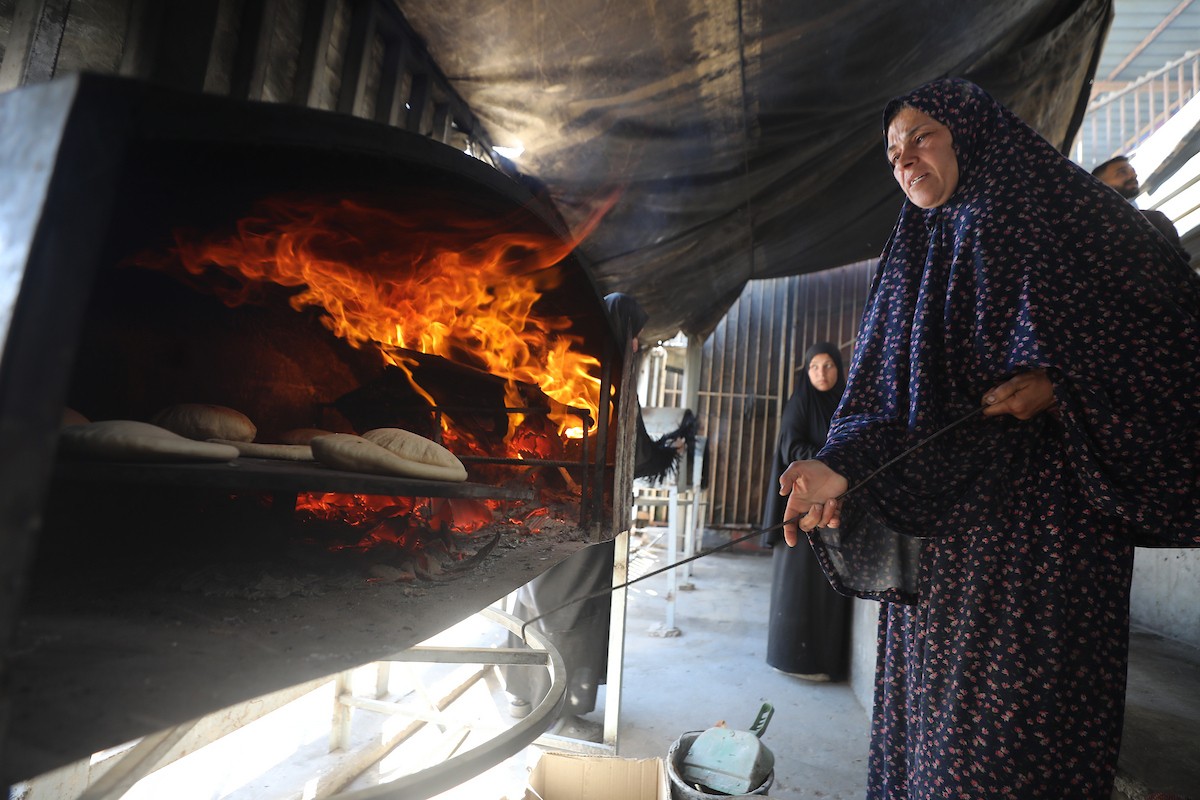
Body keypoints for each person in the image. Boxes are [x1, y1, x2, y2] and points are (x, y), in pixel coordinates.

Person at [778, 78, 1199, 799]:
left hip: (1046, 546)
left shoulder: (1064, 214)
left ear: (970, 134)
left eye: (922, 139)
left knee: (1012, 754)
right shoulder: (914, 252)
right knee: (932, 747)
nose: (905, 160)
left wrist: (1064, 387)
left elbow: (1173, 338)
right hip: (947, 553)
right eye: (892, 152)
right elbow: (881, 397)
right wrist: (837, 465)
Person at [503, 291, 682, 740]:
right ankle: (557, 714)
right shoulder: (609, 374)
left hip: (534, 503)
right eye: (635, 336)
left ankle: (521, 694)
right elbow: (633, 454)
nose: (637, 346)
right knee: (569, 610)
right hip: (581, 512)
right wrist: (664, 452)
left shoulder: (561, 362)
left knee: (528, 598)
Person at [760, 341, 850, 681]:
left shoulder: (845, 401)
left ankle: (824, 662)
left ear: (839, 369)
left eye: (828, 366)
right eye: (814, 367)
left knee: (830, 583)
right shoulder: (799, 402)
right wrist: (825, 462)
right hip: (801, 504)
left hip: (835, 507)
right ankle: (791, 658)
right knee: (797, 582)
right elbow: (790, 445)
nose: (821, 373)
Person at [1091, 154, 1191, 263]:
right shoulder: (1153, 220)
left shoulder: (1154, 220)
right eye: (1122, 172)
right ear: (1099, 184)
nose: (1133, 176)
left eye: (1132, 171)